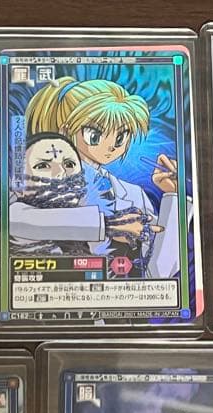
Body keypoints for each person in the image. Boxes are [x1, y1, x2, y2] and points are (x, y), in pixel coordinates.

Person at [24, 78, 190, 278]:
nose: (111, 146)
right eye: (95, 135)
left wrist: (173, 197)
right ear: (65, 130)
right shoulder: (43, 178)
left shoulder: (133, 194)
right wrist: (107, 226)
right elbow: (18, 222)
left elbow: (159, 272)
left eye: (120, 137)